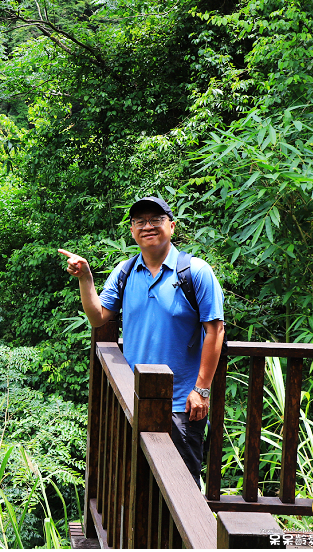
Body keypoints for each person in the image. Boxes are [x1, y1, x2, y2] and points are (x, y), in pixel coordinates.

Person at [58, 196, 225, 487]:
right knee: (137, 484)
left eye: (156, 220)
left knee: (182, 487)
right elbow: (99, 318)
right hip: (135, 399)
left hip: (181, 404)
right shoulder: (124, 271)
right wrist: (85, 278)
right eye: (140, 222)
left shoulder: (195, 271)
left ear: (171, 226)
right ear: (133, 231)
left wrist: (202, 390)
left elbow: (215, 330)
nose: (147, 226)